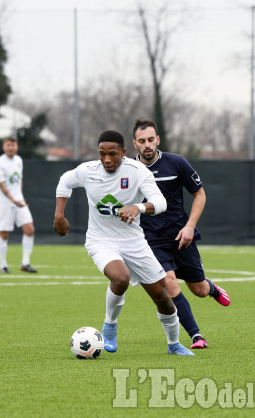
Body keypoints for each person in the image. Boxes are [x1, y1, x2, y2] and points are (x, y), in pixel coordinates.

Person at [54, 130, 194, 356]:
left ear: (124, 153)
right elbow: (65, 182)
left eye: (112, 154)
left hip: (134, 242)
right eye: (102, 154)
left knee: (162, 297)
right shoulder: (88, 171)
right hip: (101, 240)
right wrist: (59, 215)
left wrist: (138, 207)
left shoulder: (138, 171)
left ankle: (174, 344)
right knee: (120, 278)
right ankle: (109, 326)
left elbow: (160, 202)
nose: (107, 160)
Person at [132, 118, 230, 350]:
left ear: (158, 140)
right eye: (141, 141)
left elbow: (200, 195)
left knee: (199, 289)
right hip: (151, 240)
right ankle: (196, 336)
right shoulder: (129, 170)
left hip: (181, 237)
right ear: (134, 144)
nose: (147, 145)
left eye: (150, 140)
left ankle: (212, 288)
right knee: (170, 283)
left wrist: (189, 226)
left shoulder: (176, 163)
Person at [0, 136, 37, 274]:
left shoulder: (19, 160)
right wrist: (13, 199)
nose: (11, 147)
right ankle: (3, 265)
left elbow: (19, 181)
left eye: (13, 145)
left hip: (19, 201)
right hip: (5, 203)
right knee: (4, 233)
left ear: (16, 146)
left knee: (30, 229)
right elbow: (1, 184)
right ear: (4, 147)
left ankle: (25, 263)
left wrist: (20, 197)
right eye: (8, 145)